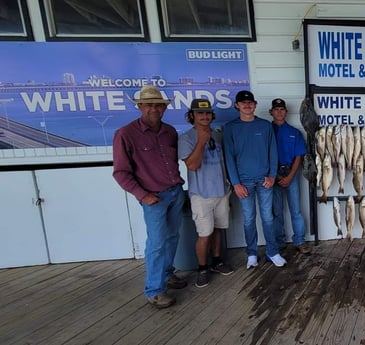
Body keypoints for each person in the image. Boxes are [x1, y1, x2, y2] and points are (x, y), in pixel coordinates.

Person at [112, 85, 187, 309]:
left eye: (158, 105)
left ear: (164, 108)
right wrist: (143, 195)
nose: (154, 108)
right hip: (153, 198)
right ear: (140, 106)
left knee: (173, 237)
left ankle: (166, 274)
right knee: (156, 243)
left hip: (175, 192)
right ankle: (154, 290)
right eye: (149, 105)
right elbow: (121, 172)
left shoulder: (170, 132)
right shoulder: (125, 134)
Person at [223, 90, 285, 268]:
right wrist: (235, 183)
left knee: (268, 218)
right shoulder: (230, 128)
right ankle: (251, 254)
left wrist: (272, 175)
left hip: (265, 180)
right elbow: (229, 157)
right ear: (237, 105)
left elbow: (272, 152)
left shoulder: (265, 126)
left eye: (250, 103)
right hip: (244, 183)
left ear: (255, 105)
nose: (247, 105)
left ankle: (273, 252)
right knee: (249, 219)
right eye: (243, 103)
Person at [178, 99, 234, 288]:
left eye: (208, 113)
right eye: (200, 113)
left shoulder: (218, 135)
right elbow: (192, 165)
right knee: (204, 233)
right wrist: (201, 142)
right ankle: (202, 268)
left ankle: (217, 261)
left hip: (222, 192)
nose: (205, 116)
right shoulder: (186, 138)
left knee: (218, 229)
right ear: (192, 115)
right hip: (201, 195)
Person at [270, 98, 311, 254]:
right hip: (273, 176)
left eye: (282, 109)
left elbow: (299, 157)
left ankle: (300, 240)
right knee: (277, 212)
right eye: (276, 109)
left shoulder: (294, 132)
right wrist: (276, 176)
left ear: (286, 112)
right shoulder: (267, 131)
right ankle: (279, 242)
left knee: (296, 210)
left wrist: (290, 176)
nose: (279, 112)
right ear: (271, 112)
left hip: (291, 173)